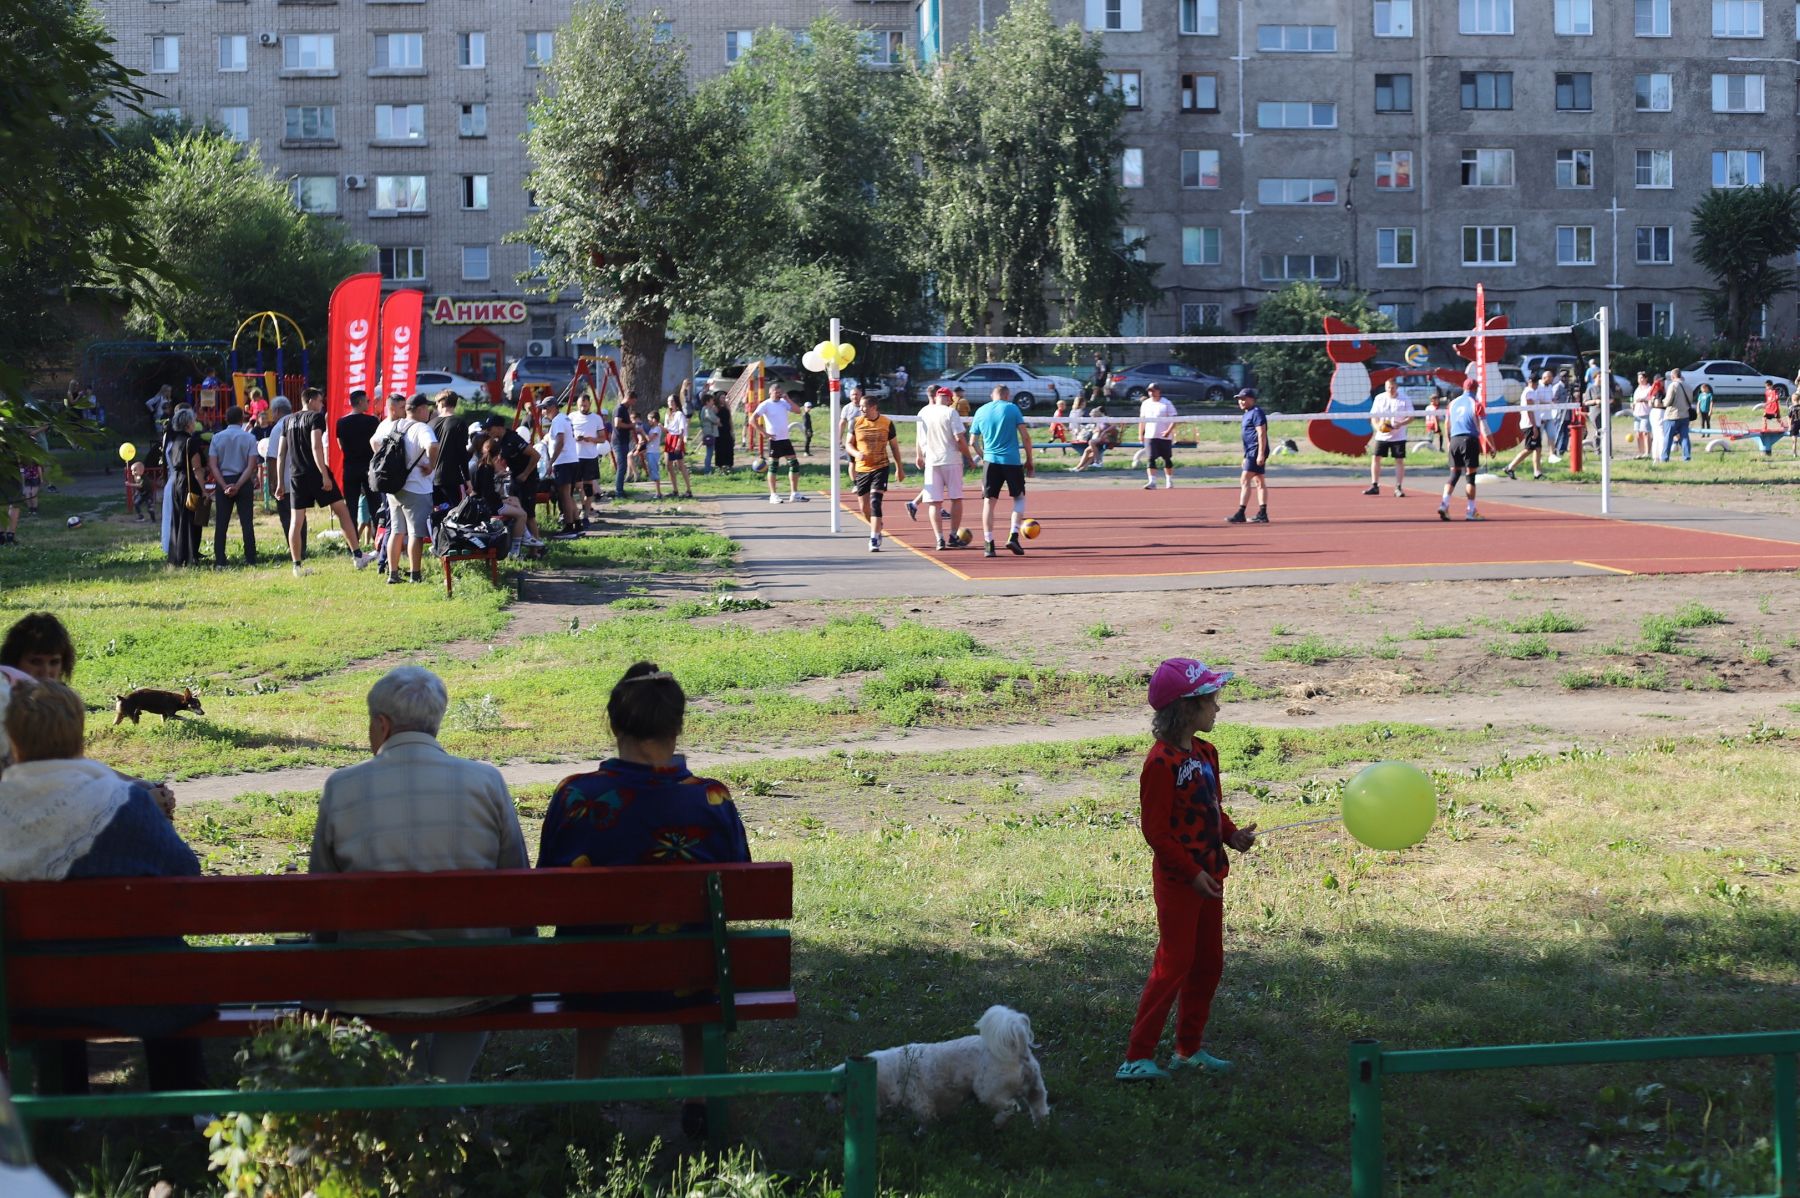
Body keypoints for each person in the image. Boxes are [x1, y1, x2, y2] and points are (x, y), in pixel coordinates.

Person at [536, 661, 750, 1139]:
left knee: (594, 944)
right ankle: (697, 1099)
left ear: (614, 726)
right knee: (695, 946)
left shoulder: (575, 797)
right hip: (689, 977)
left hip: (593, 977)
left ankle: (582, 1091)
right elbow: (739, 889)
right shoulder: (711, 798)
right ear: (677, 727)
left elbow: (546, 894)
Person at [309, 667, 527, 1085]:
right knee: (463, 1009)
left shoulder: (341, 787)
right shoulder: (487, 781)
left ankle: (415, 1106)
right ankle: (445, 1103)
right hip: (473, 982)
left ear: (382, 724)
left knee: (402, 1067)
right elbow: (515, 883)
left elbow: (323, 896)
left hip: (374, 985)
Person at [0, 679, 210, 1097]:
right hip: (141, 983)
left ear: (14, 738)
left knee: (52, 959)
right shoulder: (124, 801)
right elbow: (184, 872)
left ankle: (68, 1113)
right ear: (77, 736)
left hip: (34, 992)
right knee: (167, 967)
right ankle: (184, 1109)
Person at [1117, 658, 1255, 1082]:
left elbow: (1211, 806)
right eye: (1210, 699)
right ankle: (1137, 1057)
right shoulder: (1161, 764)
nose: (1218, 707)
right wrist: (1192, 873)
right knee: (1174, 963)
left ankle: (1187, 1049)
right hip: (1181, 881)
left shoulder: (1206, 751)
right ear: (1186, 708)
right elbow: (1156, 832)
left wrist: (1231, 835)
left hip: (1209, 875)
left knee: (1209, 962)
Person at [276, 387, 378, 575]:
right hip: (315, 472)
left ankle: (296, 566)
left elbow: (282, 453)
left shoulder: (287, 421)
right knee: (343, 512)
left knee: (296, 522)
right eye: (321, 401)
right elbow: (316, 446)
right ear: (313, 400)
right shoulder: (315, 417)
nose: (322, 405)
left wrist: (279, 482)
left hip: (295, 475)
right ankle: (357, 556)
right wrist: (324, 473)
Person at [372, 394, 440, 584]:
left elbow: (375, 442)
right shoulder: (422, 428)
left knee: (396, 531)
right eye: (426, 408)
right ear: (419, 410)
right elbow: (433, 446)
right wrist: (431, 465)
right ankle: (415, 574)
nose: (429, 411)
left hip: (394, 487)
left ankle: (393, 574)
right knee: (415, 534)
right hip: (417, 488)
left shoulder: (395, 425)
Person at [968, 384, 1033, 558]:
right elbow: (1025, 436)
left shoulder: (981, 411)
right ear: (1007, 395)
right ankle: (1013, 535)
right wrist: (1030, 460)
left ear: (992, 395)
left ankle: (989, 544)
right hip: (1011, 460)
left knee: (989, 502)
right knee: (1019, 498)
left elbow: (972, 441)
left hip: (991, 461)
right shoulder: (1012, 408)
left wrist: (984, 457)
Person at [908, 384, 972, 551]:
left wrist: (919, 455)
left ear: (936, 398)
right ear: (950, 400)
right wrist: (969, 458)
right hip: (951, 460)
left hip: (932, 461)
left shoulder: (923, 412)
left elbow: (919, 436)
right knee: (956, 498)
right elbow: (959, 438)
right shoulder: (951, 412)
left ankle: (939, 539)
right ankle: (952, 535)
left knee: (934, 502)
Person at [848, 392, 904, 552]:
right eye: (860, 407)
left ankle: (874, 537)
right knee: (864, 507)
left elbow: (894, 447)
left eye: (863, 407)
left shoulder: (886, 423)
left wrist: (899, 467)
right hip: (862, 469)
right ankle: (877, 525)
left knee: (875, 502)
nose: (861, 410)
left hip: (881, 466)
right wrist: (856, 453)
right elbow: (848, 444)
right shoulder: (856, 422)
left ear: (873, 407)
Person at [477, 414, 544, 548]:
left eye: (489, 429)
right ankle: (521, 543)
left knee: (529, 514)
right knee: (517, 507)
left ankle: (536, 550)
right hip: (515, 478)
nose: (488, 432)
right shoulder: (498, 441)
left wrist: (525, 474)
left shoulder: (513, 439)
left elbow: (536, 455)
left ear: (498, 427)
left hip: (527, 479)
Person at [206, 405, 260, 567]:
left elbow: (213, 465)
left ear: (225, 419)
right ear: (242, 418)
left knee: (221, 523)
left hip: (223, 480)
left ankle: (220, 560)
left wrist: (224, 485)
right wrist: (238, 484)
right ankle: (250, 558)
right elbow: (251, 466)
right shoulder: (249, 438)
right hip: (243, 481)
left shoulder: (217, 437)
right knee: (247, 522)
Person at [335, 389, 381, 546]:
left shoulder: (341, 423)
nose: (368, 403)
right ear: (360, 402)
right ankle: (378, 541)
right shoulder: (372, 421)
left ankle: (352, 544)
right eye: (367, 401)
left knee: (351, 509)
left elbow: (340, 446)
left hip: (350, 468)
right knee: (375, 506)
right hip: (369, 468)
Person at [163, 408, 206, 567]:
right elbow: (196, 468)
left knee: (178, 519)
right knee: (193, 520)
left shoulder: (175, 440)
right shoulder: (191, 441)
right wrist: (204, 489)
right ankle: (190, 555)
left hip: (176, 483)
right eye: (193, 420)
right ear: (188, 423)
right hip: (190, 484)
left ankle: (177, 555)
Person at [1438, 380, 1484, 522]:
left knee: (1454, 474)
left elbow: (1447, 423)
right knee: (1470, 477)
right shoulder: (1475, 404)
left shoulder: (1452, 403)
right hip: (1469, 440)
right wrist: (1491, 445)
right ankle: (1471, 510)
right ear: (1475, 389)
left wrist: (1448, 441)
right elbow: (1484, 428)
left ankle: (1444, 504)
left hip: (1454, 440)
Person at [757, 384, 807, 504]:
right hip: (774, 440)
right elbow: (752, 419)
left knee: (794, 464)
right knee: (773, 467)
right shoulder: (766, 404)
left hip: (785, 439)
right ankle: (773, 495)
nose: (779, 395)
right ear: (771, 392)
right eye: (777, 393)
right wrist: (764, 433)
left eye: (780, 392)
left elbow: (798, 410)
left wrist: (788, 399)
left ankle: (794, 493)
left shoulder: (784, 403)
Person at [1364, 377, 1413, 497]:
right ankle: (1375, 485)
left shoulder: (1404, 399)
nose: (1390, 390)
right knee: (1376, 458)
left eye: (1392, 387)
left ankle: (1398, 487)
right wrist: (1378, 427)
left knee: (1399, 460)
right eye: (1388, 388)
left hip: (1398, 436)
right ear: (1385, 387)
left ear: (1397, 387)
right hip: (1382, 436)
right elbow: (1374, 417)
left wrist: (1400, 424)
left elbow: (1411, 417)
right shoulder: (1379, 398)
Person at [1225, 387, 1269, 524]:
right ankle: (1262, 513)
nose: (1241, 402)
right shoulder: (1246, 414)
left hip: (1256, 451)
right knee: (1259, 481)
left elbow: (1261, 433)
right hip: (1250, 452)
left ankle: (1241, 512)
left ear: (1252, 399)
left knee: (1245, 480)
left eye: (1244, 399)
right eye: (1239, 399)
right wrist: (1245, 456)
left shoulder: (1257, 412)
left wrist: (1260, 454)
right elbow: (1247, 438)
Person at [541, 395, 582, 534]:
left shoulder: (558, 421)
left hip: (563, 462)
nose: (543, 411)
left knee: (564, 495)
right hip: (572, 460)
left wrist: (551, 462)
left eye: (545, 408)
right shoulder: (565, 418)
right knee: (569, 495)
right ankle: (578, 523)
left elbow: (560, 441)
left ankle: (569, 526)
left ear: (553, 407)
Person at [1504, 370, 1553, 480]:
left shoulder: (1532, 391)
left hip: (1535, 423)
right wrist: (1534, 426)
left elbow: (1535, 408)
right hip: (1530, 425)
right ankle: (1510, 467)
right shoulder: (1529, 392)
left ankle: (1537, 472)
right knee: (1529, 448)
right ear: (1535, 383)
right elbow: (1529, 410)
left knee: (1538, 448)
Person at [430, 392, 471, 511]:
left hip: (431, 478)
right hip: (452, 477)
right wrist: (467, 480)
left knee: (435, 512)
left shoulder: (430, 424)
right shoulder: (459, 423)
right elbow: (462, 453)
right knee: (456, 513)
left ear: (440, 404)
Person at [262, 396, 293, 543]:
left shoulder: (278, 428)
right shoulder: (298, 422)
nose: (272, 416)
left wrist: (272, 482)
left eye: (272, 412)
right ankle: (302, 546)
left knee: (287, 517)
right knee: (300, 516)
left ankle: (294, 548)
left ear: (278, 411)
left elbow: (272, 458)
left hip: (284, 482)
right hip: (299, 480)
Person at [571, 390, 605, 519]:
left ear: (589, 404)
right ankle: (584, 508)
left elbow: (602, 438)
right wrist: (575, 437)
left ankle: (586, 512)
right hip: (575, 456)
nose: (582, 407)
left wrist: (591, 439)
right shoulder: (572, 416)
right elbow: (568, 434)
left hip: (590, 456)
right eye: (580, 405)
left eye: (584, 405)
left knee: (588, 486)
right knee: (578, 486)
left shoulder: (596, 418)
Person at [1138, 383, 1178, 491]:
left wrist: (1168, 431)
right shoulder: (1145, 404)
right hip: (1150, 436)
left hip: (1164, 436)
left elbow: (1174, 419)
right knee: (1150, 458)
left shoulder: (1166, 403)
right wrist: (1140, 434)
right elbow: (1142, 420)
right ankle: (1152, 481)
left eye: (1153, 390)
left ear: (1159, 391)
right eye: (1149, 391)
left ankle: (1169, 480)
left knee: (1167, 459)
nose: (1151, 393)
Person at [663, 395, 694, 499]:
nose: (670, 403)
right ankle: (675, 490)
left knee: (681, 466)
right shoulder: (668, 414)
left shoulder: (679, 414)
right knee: (668, 465)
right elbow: (667, 429)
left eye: (671, 401)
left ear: (676, 402)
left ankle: (689, 490)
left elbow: (681, 430)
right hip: (669, 438)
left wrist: (679, 443)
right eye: (668, 401)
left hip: (677, 439)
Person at [611, 393, 641, 499]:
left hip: (623, 441)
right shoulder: (620, 409)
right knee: (622, 467)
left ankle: (621, 490)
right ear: (629, 398)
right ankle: (618, 492)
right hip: (618, 442)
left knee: (623, 467)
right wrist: (631, 425)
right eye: (633, 401)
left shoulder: (625, 410)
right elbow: (617, 424)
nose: (634, 404)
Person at [1663, 367, 1693, 462]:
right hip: (1685, 415)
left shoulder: (1673, 385)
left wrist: (1662, 402)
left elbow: (1667, 402)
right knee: (1684, 437)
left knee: (1668, 438)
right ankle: (1687, 457)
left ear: (1673, 376)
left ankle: (1665, 458)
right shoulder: (1688, 386)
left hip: (1672, 416)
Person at [1629, 372, 1653, 459]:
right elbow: (1634, 400)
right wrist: (1633, 404)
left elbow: (1651, 401)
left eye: (1642, 378)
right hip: (1637, 414)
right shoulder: (1637, 389)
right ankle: (1641, 452)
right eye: (1639, 378)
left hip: (1646, 413)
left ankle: (1647, 452)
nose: (1640, 380)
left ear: (1646, 378)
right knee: (1638, 434)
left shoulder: (1649, 388)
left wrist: (1644, 400)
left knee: (1645, 433)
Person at [712, 393, 736, 474]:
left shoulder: (727, 407)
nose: (723, 399)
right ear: (718, 398)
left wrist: (732, 431)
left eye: (724, 397)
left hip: (727, 429)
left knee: (729, 447)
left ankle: (728, 465)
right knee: (720, 448)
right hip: (719, 430)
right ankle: (720, 465)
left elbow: (730, 419)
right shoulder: (715, 408)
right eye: (722, 397)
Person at [698, 394, 720, 474]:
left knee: (710, 452)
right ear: (707, 402)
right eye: (711, 401)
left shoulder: (708, 409)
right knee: (709, 453)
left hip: (710, 433)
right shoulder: (706, 409)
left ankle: (708, 469)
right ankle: (707, 471)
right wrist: (717, 420)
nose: (713, 402)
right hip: (709, 433)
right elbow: (713, 419)